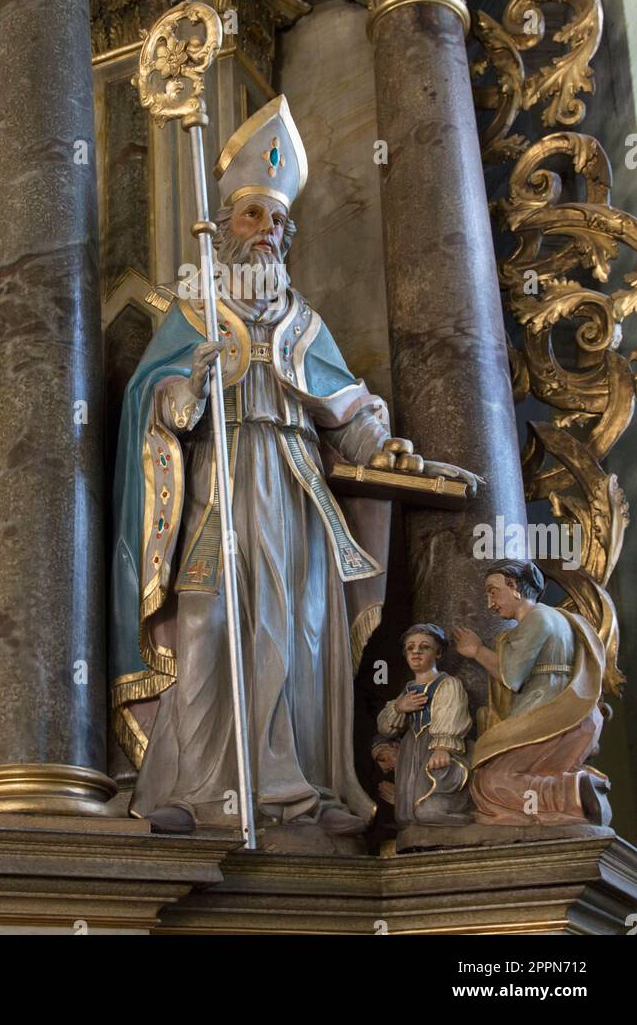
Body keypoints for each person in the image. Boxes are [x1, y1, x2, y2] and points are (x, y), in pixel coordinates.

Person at [111, 96, 477, 836]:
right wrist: (190, 383)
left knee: (298, 630)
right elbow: (153, 402)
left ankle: (294, 790)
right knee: (206, 625)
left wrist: (385, 444)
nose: (267, 233)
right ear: (226, 226)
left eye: (278, 221)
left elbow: (348, 409)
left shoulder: (304, 320)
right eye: (253, 217)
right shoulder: (194, 310)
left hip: (290, 484)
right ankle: (197, 788)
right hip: (217, 482)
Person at [454, 562, 611, 825]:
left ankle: (569, 794)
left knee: (488, 781)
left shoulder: (536, 618)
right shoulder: (563, 618)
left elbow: (511, 676)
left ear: (514, 586)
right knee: (518, 773)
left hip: (548, 712)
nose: (490, 602)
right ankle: (577, 788)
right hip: (576, 714)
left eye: (493, 591)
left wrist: (476, 650)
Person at [376, 624, 472, 827]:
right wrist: (400, 708)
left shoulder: (448, 684)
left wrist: (442, 747)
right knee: (405, 816)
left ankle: (464, 817)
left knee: (427, 810)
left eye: (424, 647)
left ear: (438, 652)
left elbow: (452, 714)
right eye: (410, 648)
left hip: (437, 749)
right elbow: (385, 728)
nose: (416, 652)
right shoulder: (408, 689)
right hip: (412, 749)